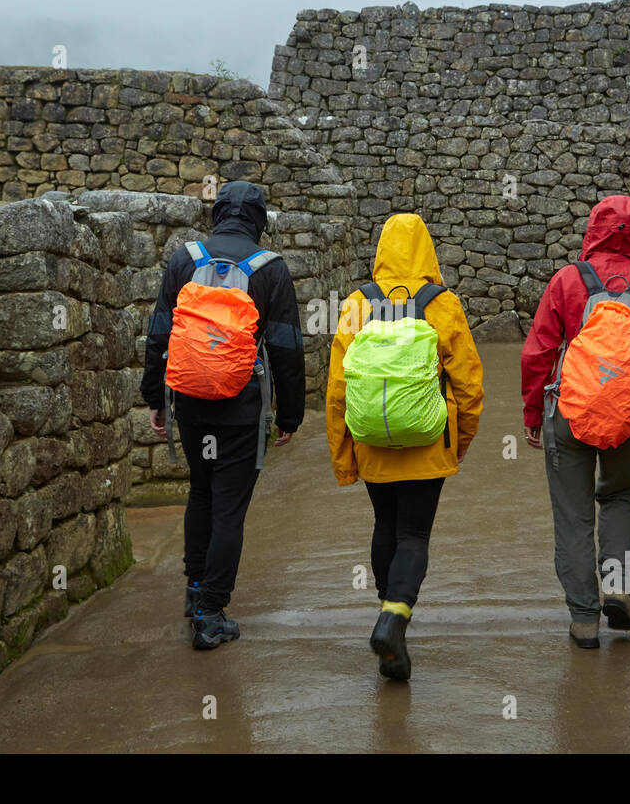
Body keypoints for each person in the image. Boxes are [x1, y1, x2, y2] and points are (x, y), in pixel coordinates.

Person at [141, 180, 305, 650]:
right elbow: (287, 350)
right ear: (259, 220)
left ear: (217, 214)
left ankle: (195, 593)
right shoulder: (269, 269)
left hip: (190, 400)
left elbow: (159, 334)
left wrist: (155, 396)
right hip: (242, 407)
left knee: (202, 493)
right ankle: (212, 614)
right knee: (230, 506)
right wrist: (289, 416)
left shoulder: (183, 259)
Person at [326, 213, 484, 680]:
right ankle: (394, 617)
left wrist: (344, 456)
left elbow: (338, 388)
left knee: (385, 525)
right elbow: (469, 383)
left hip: (372, 440)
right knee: (414, 535)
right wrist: (460, 441)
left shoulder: (358, 303)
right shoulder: (443, 304)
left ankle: (387, 619)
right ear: (427, 251)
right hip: (428, 441)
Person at [520, 195, 630, 649]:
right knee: (617, 497)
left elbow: (538, 353)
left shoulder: (568, 282)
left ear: (592, 229)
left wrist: (534, 413)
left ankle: (584, 621)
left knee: (573, 517)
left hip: (570, 413)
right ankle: (616, 584)